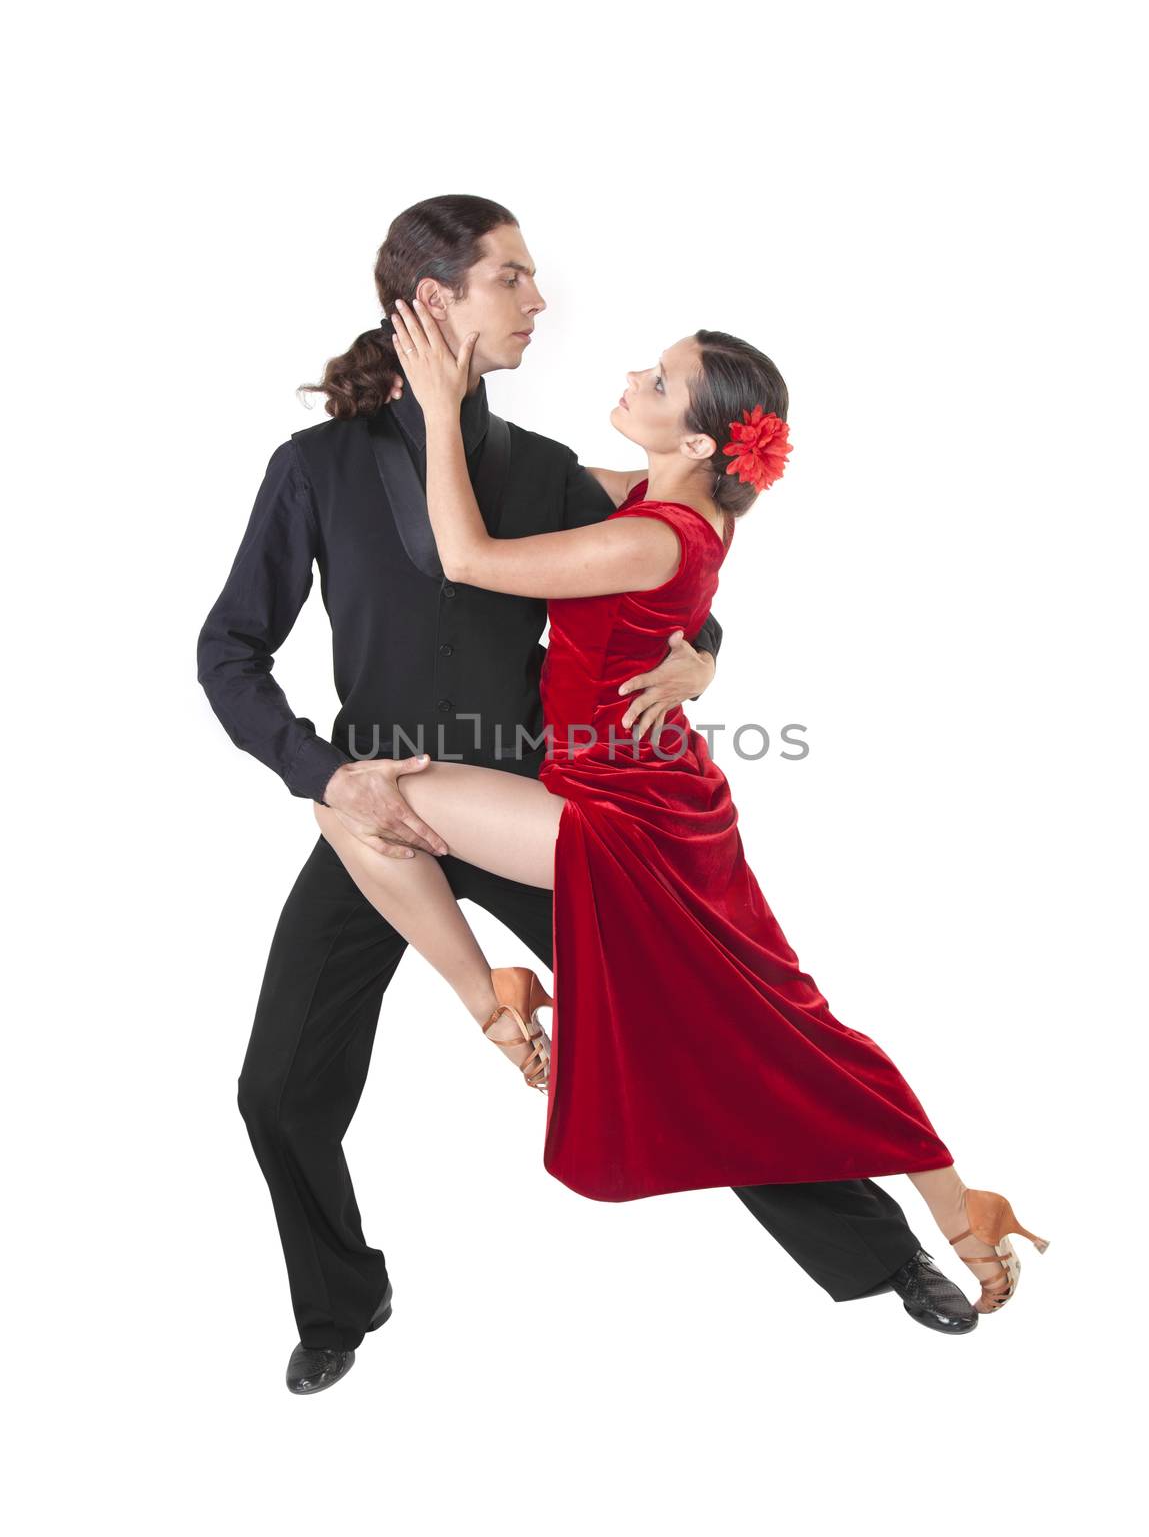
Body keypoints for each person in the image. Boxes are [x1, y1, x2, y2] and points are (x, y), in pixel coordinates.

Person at [197, 196, 979, 1399]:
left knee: (709, 1034)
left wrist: (705, 656)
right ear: (433, 302)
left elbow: (674, 576)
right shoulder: (314, 470)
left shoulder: (544, 470)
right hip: (383, 810)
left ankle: (884, 1257)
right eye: (512, 278)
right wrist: (326, 773)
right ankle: (343, 1302)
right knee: (277, 1088)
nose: (539, 300)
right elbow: (229, 651)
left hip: (539, 814)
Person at [313, 286, 1051, 1336]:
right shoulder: (656, 504)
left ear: (700, 436)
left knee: (355, 802)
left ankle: (493, 1001)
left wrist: (437, 408)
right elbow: (645, 563)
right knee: (781, 1023)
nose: (627, 379)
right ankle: (959, 1208)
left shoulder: (654, 533)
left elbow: (471, 558)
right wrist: (700, 653)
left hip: (623, 819)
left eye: (655, 381)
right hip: (657, 795)